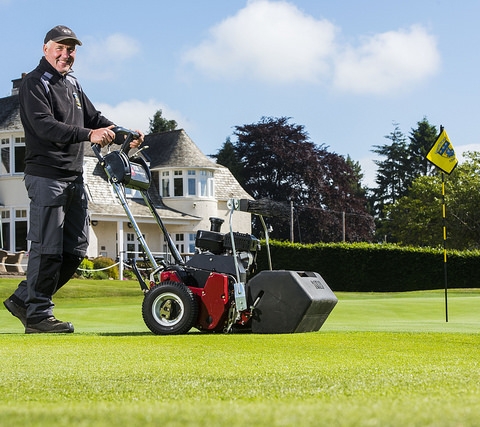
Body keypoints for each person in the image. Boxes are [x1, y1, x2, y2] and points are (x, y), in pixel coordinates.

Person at [3, 25, 144, 333]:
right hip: (46, 176)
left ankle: (24, 298)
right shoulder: (34, 84)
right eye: (60, 48)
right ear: (46, 49)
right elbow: (45, 127)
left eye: (71, 49)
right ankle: (39, 315)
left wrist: (123, 133)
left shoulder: (73, 85)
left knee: (75, 250)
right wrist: (88, 135)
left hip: (74, 178)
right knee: (47, 247)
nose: (66, 54)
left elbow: (94, 119)